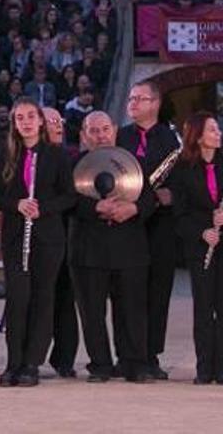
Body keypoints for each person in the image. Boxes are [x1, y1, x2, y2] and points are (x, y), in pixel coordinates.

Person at [0, 98, 75, 387]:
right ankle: (13, 362)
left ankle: (31, 363)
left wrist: (43, 207)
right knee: (18, 298)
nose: (25, 122)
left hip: (48, 238)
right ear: (14, 123)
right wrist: (17, 204)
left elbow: (70, 196)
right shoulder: (5, 154)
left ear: (40, 121)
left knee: (43, 298)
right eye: (19, 118)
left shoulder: (57, 155)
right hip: (16, 238)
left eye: (30, 116)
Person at [72, 111, 154, 383]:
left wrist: (133, 208)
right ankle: (100, 364)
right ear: (84, 135)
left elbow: (152, 198)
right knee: (92, 312)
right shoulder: (73, 165)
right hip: (88, 250)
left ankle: (134, 363)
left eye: (105, 129)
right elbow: (66, 200)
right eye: (93, 130)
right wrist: (94, 206)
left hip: (130, 247)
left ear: (115, 130)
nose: (100, 135)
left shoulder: (136, 163)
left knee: (132, 309)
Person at [116, 80, 181, 380]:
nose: (132, 103)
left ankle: (150, 354)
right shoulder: (121, 136)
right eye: (130, 99)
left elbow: (182, 184)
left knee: (157, 290)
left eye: (139, 99)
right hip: (126, 224)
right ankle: (127, 354)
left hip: (160, 226)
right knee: (125, 291)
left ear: (155, 103)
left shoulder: (172, 140)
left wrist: (171, 196)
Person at [173, 112, 223, 384]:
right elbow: (179, 216)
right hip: (200, 246)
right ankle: (205, 368)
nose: (219, 134)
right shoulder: (182, 170)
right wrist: (203, 231)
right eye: (213, 130)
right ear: (198, 136)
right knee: (203, 307)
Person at [42, 106, 80, 378]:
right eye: (51, 121)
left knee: (66, 299)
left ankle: (64, 359)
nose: (57, 125)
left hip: (68, 236)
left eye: (59, 120)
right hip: (39, 236)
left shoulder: (72, 158)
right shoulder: (26, 158)